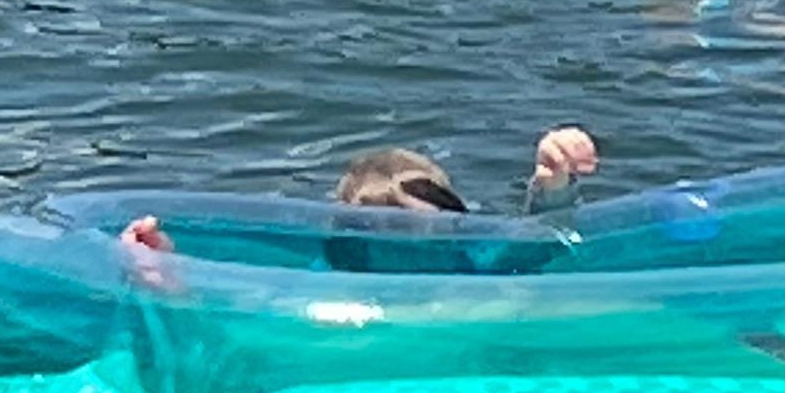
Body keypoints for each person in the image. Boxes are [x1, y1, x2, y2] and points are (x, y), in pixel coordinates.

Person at [121, 128, 599, 258]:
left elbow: (539, 244)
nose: (400, 248)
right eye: (377, 233)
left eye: (419, 233)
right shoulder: (333, 269)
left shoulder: (463, 264)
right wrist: (164, 265)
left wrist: (552, 182)